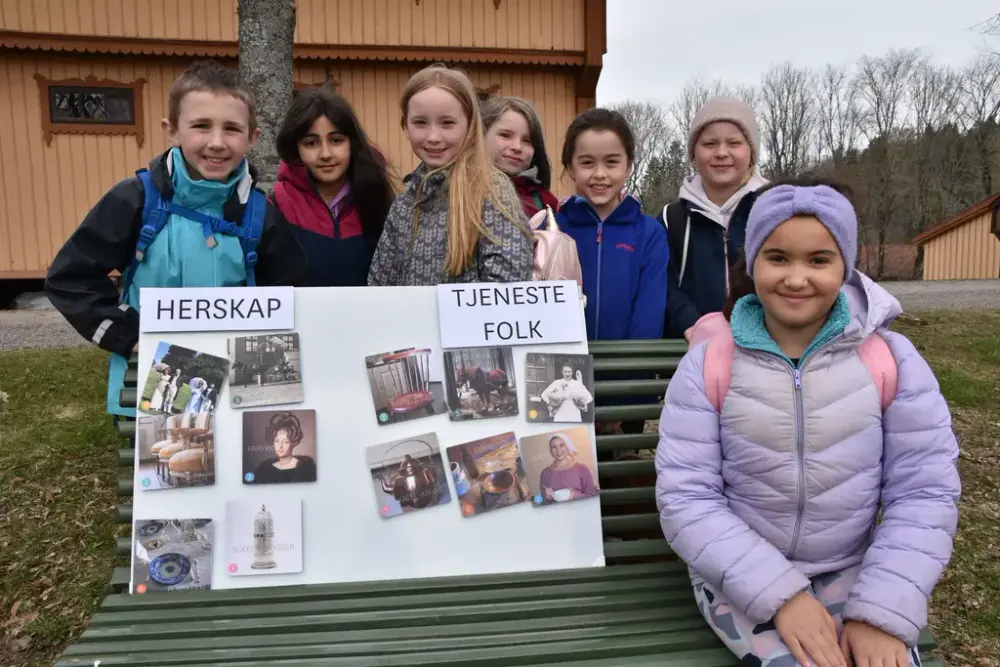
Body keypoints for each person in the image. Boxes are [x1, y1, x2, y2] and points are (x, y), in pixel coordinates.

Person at [655, 178, 961, 667]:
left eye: (819, 260)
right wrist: (781, 594)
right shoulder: (710, 364)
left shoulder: (891, 361)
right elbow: (686, 497)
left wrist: (880, 612)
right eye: (778, 258)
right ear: (752, 262)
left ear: (846, 266)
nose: (796, 278)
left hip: (854, 568)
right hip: (736, 574)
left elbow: (924, 492)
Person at [44, 60, 307, 418]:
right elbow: (70, 278)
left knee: (228, 468)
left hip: (237, 379)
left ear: (252, 137)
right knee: (167, 464)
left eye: (232, 129)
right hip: (156, 370)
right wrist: (127, 335)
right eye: (201, 126)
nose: (217, 142)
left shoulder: (262, 214)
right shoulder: (134, 199)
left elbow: (289, 295)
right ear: (173, 130)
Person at [556, 107, 669, 439]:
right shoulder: (554, 231)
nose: (600, 174)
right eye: (587, 162)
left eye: (611, 162)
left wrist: (623, 397)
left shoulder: (648, 233)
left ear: (629, 166)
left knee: (618, 477)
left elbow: (648, 319)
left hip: (627, 389)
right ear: (570, 167)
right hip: (564, 391)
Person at [367, 64, 534, 286]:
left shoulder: (491, 191)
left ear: (469, 125)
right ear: (405, 126)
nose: (433, 137)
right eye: (420, 123)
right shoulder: (405, 204)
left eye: (447, 123)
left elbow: (507, 287)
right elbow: (380, 285)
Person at [659, 96, 768, 340]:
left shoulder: (773, 211)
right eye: (709, 144)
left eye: (734, 143)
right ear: (693, 154)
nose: (721, 153)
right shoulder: (670, 219)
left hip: (766, 349)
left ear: (751, 151)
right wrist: (691, 324)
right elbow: (662, 285)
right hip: (691, 352)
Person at [273, 86, 395, 286]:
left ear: (352, 142)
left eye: (336, 140)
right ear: (295, 148)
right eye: (311, 143)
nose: (325, 154)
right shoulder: (276, 206)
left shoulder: (381, 201)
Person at [481, 95, 559, 218]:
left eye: (527, 141)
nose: (517, 147)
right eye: (505, 135)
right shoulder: (458, 192)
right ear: (481, 135)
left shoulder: (546, 202)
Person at [250, 412, 317, 484]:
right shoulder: (264, 469)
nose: (280, 446)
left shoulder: (306, 468)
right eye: (277, 441)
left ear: (293, 442)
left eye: (286, 442)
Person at [538, 432, 599, 504]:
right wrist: (547, 497)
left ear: (568, 447)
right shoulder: (545, 473)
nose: (558, 450)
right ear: (550, 450)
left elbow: (593, 497)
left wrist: (575, 495)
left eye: (562, 445)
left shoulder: (581, 469)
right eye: (554, 447)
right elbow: (542, 502)